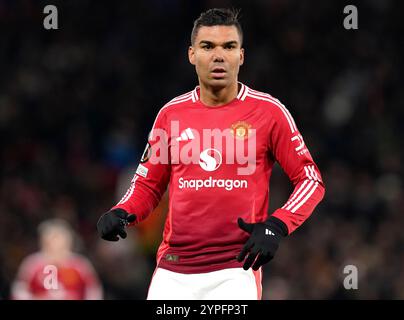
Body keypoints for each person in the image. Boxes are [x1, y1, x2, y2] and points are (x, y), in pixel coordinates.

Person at [97, 8, 325, 300]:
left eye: (228, 46)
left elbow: (310, 179)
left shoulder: (269, 112)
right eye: (208, 46)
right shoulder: (171, 114)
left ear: (241, 56)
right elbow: (148, 185)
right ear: (192, 54)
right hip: (173, 270)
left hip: (235, 270)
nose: (219, 56)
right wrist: (121, 211)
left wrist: (276, 226)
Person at [12, 218, 103, 300]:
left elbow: (93, 290)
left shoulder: (79, 264)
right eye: (52, 240)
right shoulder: (33, 264)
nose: (56, 245)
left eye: (59, 240)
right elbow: (20, 290)